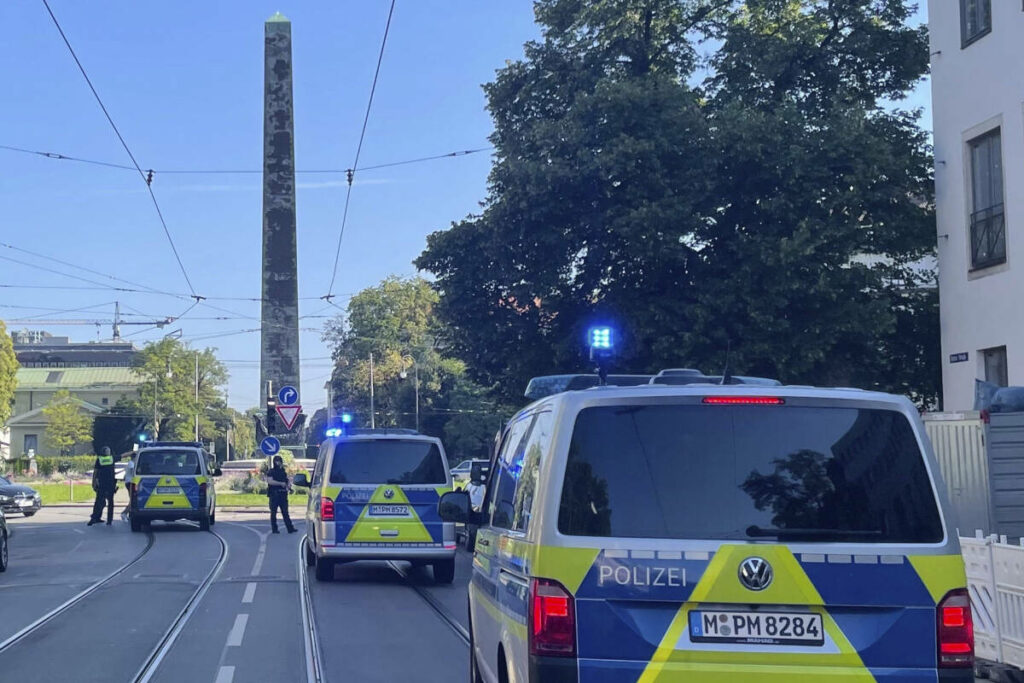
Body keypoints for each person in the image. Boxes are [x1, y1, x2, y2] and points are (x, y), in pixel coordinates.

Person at [89, 447, 120, 526]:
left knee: (99, 501)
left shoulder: (99, 459)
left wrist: (93, 483)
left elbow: (95, 472)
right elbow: (123, 455)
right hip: (110, 484)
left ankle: (95, 518)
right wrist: (133, 452)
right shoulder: (112, 458)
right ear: (108, 452)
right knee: (110, 503)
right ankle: (109, 520)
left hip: (101, 484)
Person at [265, 455, 296, 534]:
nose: (278, 463)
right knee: (273, 513)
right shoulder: (271, 471)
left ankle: (290, 528)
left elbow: (286, 481)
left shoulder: (283, 471)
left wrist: (289, 486)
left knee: (285, 512)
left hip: (283, 494)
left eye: (279, 461)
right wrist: (280, 483)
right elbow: (270, 481)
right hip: (274, 494)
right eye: (276, 461)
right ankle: (274, 529)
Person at [120, 451, 136, 521]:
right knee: (133, 501)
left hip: (131, 482)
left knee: (132, 500)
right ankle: (124, 513)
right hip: (130, 483)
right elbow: (133, 471)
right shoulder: (131, 463)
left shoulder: (132, 463)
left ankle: (130, 514)